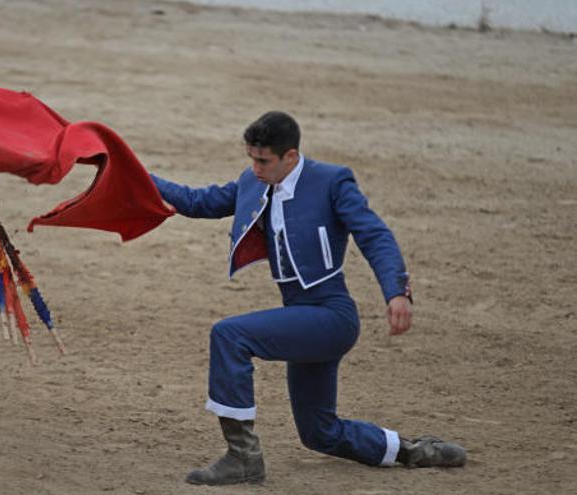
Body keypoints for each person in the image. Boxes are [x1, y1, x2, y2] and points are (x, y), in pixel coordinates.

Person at [150, 111, 466, 485]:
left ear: (291, 157)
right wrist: (133, 172)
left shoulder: (331, 181)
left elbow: (374, 235)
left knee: (230, 335)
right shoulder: (254, 182)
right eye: (251, 158)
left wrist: (396, 292)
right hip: (302, 316)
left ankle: (242, 458)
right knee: (319, 433)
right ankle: (412, 450)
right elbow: (197, 202)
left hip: (331, 316)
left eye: (263, 160)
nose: (255, 168)